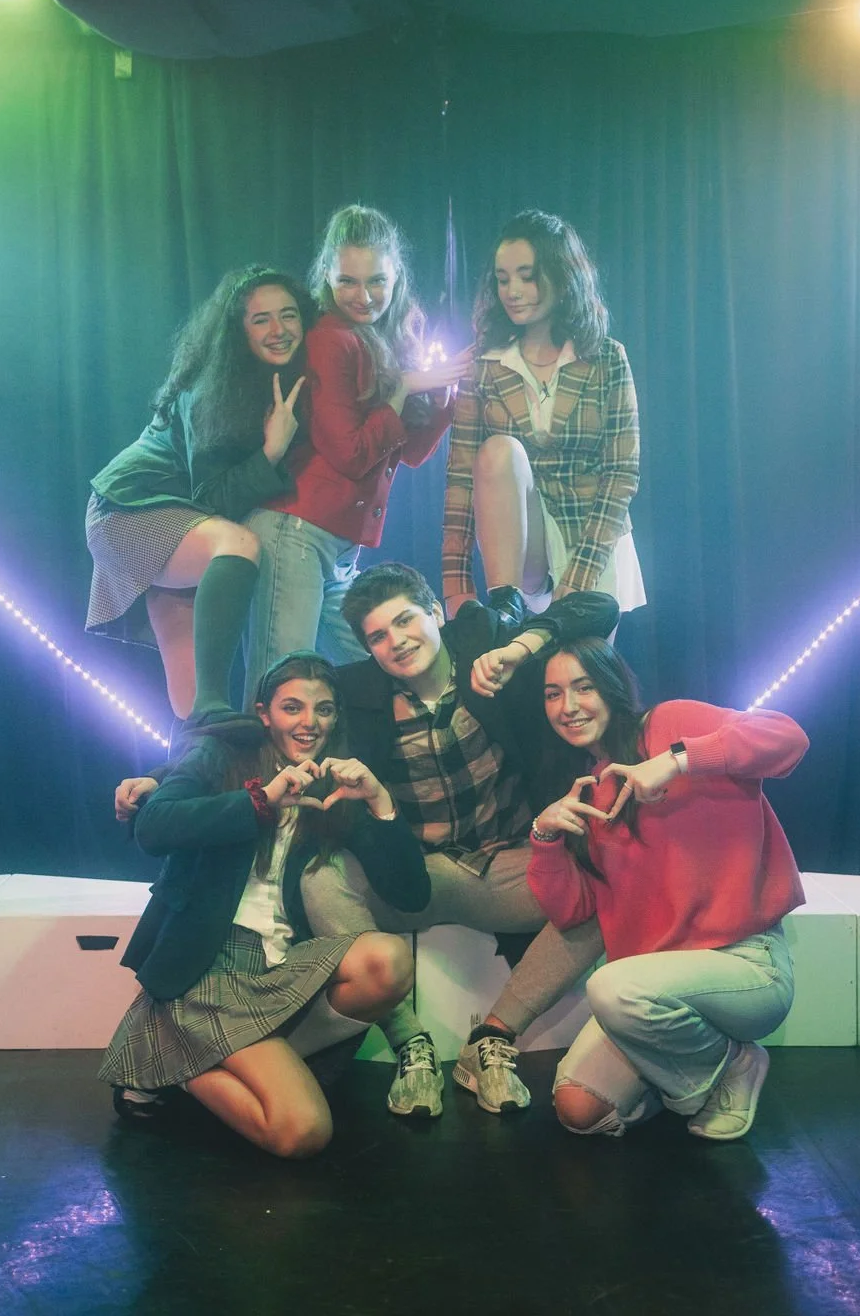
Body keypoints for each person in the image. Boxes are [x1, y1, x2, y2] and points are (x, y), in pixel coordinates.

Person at [299, 561, 620, 1121]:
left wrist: (518, 649)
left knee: (600, 891)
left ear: (435, 612)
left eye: (405, 621)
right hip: (412, 876)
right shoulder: (356, 692)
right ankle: (410, 1043)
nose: (397, 642)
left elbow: (600, 607)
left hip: (502, 864)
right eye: (378, 636)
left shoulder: (485, 643)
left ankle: (493, 1038)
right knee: (320, 877)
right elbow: (277, 720)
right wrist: (169, 778)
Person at [100, 652, 429, 1159]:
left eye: (323, 709)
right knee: (303, 1132)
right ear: (265, 713)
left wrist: (381, 802)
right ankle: (176, 1062)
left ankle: (184, 1054)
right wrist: (260, 800)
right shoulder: (221, 755)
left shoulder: (336, 781)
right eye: (292, 707)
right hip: (208, 965)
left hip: (280, 962)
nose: (309, 722)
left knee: (389, 961)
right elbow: (155, 827)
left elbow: (411, 893)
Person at [526, 637, 807, 1141]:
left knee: (611, 988)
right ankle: (690, 1074)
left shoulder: (670, 723)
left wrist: (679, 759)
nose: (568, 707)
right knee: (577, 1108)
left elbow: (787, 738)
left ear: (611, 687)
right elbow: (573, 912)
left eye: (583, 687)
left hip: (744, 963)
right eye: (552, 694)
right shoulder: (586, 790)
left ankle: (736, 1064)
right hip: (654, 990)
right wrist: (545, 839)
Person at [240, 205, 472, 707]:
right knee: (281, 688)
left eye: (376, 281)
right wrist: (404, 388)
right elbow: (350, 455)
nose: (363, 297)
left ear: (396, 276)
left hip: (339, 549)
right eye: (348, 281)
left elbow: (410, 453)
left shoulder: (386, 338)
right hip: (296, 534)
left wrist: (444, 397)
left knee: (378, 682)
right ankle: (251, 765)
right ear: (325, 275)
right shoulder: (330, 340)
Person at [86, 266, 314, 722]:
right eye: (261, 319)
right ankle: (216, 707)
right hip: (130, 510)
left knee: (189, 707)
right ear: (237, 330)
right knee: (239, 544)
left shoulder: (273, 383)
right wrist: (271, 452)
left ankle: (199, 749)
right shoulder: (212, 390)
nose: (278, 329)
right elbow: (212, 499)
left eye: (288, 315)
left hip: (176, 521)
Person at [442, 208, 645, 625]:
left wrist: (580, 576)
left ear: (562, 275)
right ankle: (506, 608)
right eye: (503, 279)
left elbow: (621, 474)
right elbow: (461, 477)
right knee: (499, 451)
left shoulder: (607, 357)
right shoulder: (483, 363)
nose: (513, 291)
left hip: (590, 540)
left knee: (579, 665)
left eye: (527, 276)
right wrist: (456, 585)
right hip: (520, 549)